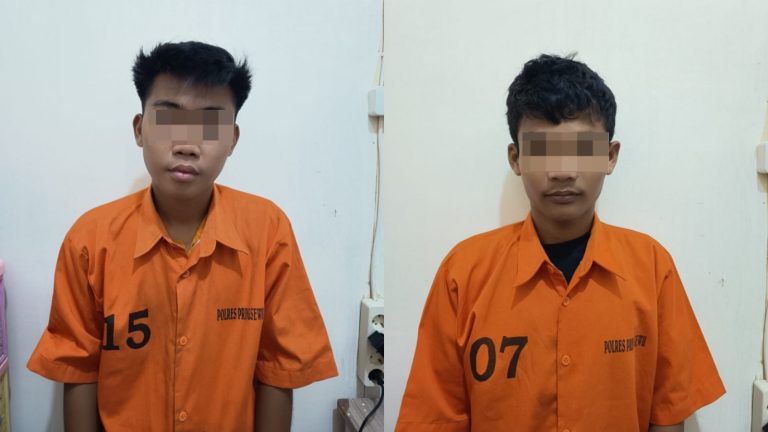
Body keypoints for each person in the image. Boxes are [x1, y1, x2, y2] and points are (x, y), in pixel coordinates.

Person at [395, 54, 725, 432]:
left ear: (610, 157)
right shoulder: (464, 273)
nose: (563, 171)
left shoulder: (652, 267)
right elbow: (434, 420)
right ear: (516, 159)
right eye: (542, 151)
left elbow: (668, 417)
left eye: (582, 150)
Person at [27, 41, 338, 432]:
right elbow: (78, 370)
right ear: (139, 130)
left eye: (209, 125)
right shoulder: (89, 241)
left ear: (233, 139)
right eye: (169, 120)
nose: (187, 145)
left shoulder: (268, 231)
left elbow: (279, 367)